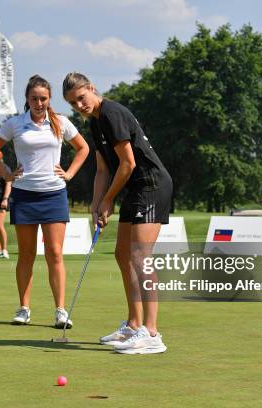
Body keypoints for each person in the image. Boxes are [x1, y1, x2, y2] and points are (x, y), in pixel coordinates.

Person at [63, 72, 172, 354]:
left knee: (140, 256)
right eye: (73, 103)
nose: (79, 106)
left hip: (151, 185)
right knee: (122, 254)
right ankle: (134, 325)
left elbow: (128, 164)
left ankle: (152, 333)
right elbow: (102, 169)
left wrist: (110, 199)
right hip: (136, 189)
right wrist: (97, 203)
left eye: (81, 98)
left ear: (92, 88)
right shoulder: (95, 123)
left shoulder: (111, 113)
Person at [0, 74, 89, 328]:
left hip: (54, 194)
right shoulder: (15, 123)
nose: (39, 103)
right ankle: (24, 308)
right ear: (27, 99)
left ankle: (60, 310)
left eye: (43, 98)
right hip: (24, 195)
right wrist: (6, 174)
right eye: (34, 98)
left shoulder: (61, 122)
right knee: (27, 255)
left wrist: (70, 173)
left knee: (54, 253)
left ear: (49, 99)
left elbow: (83, 148)